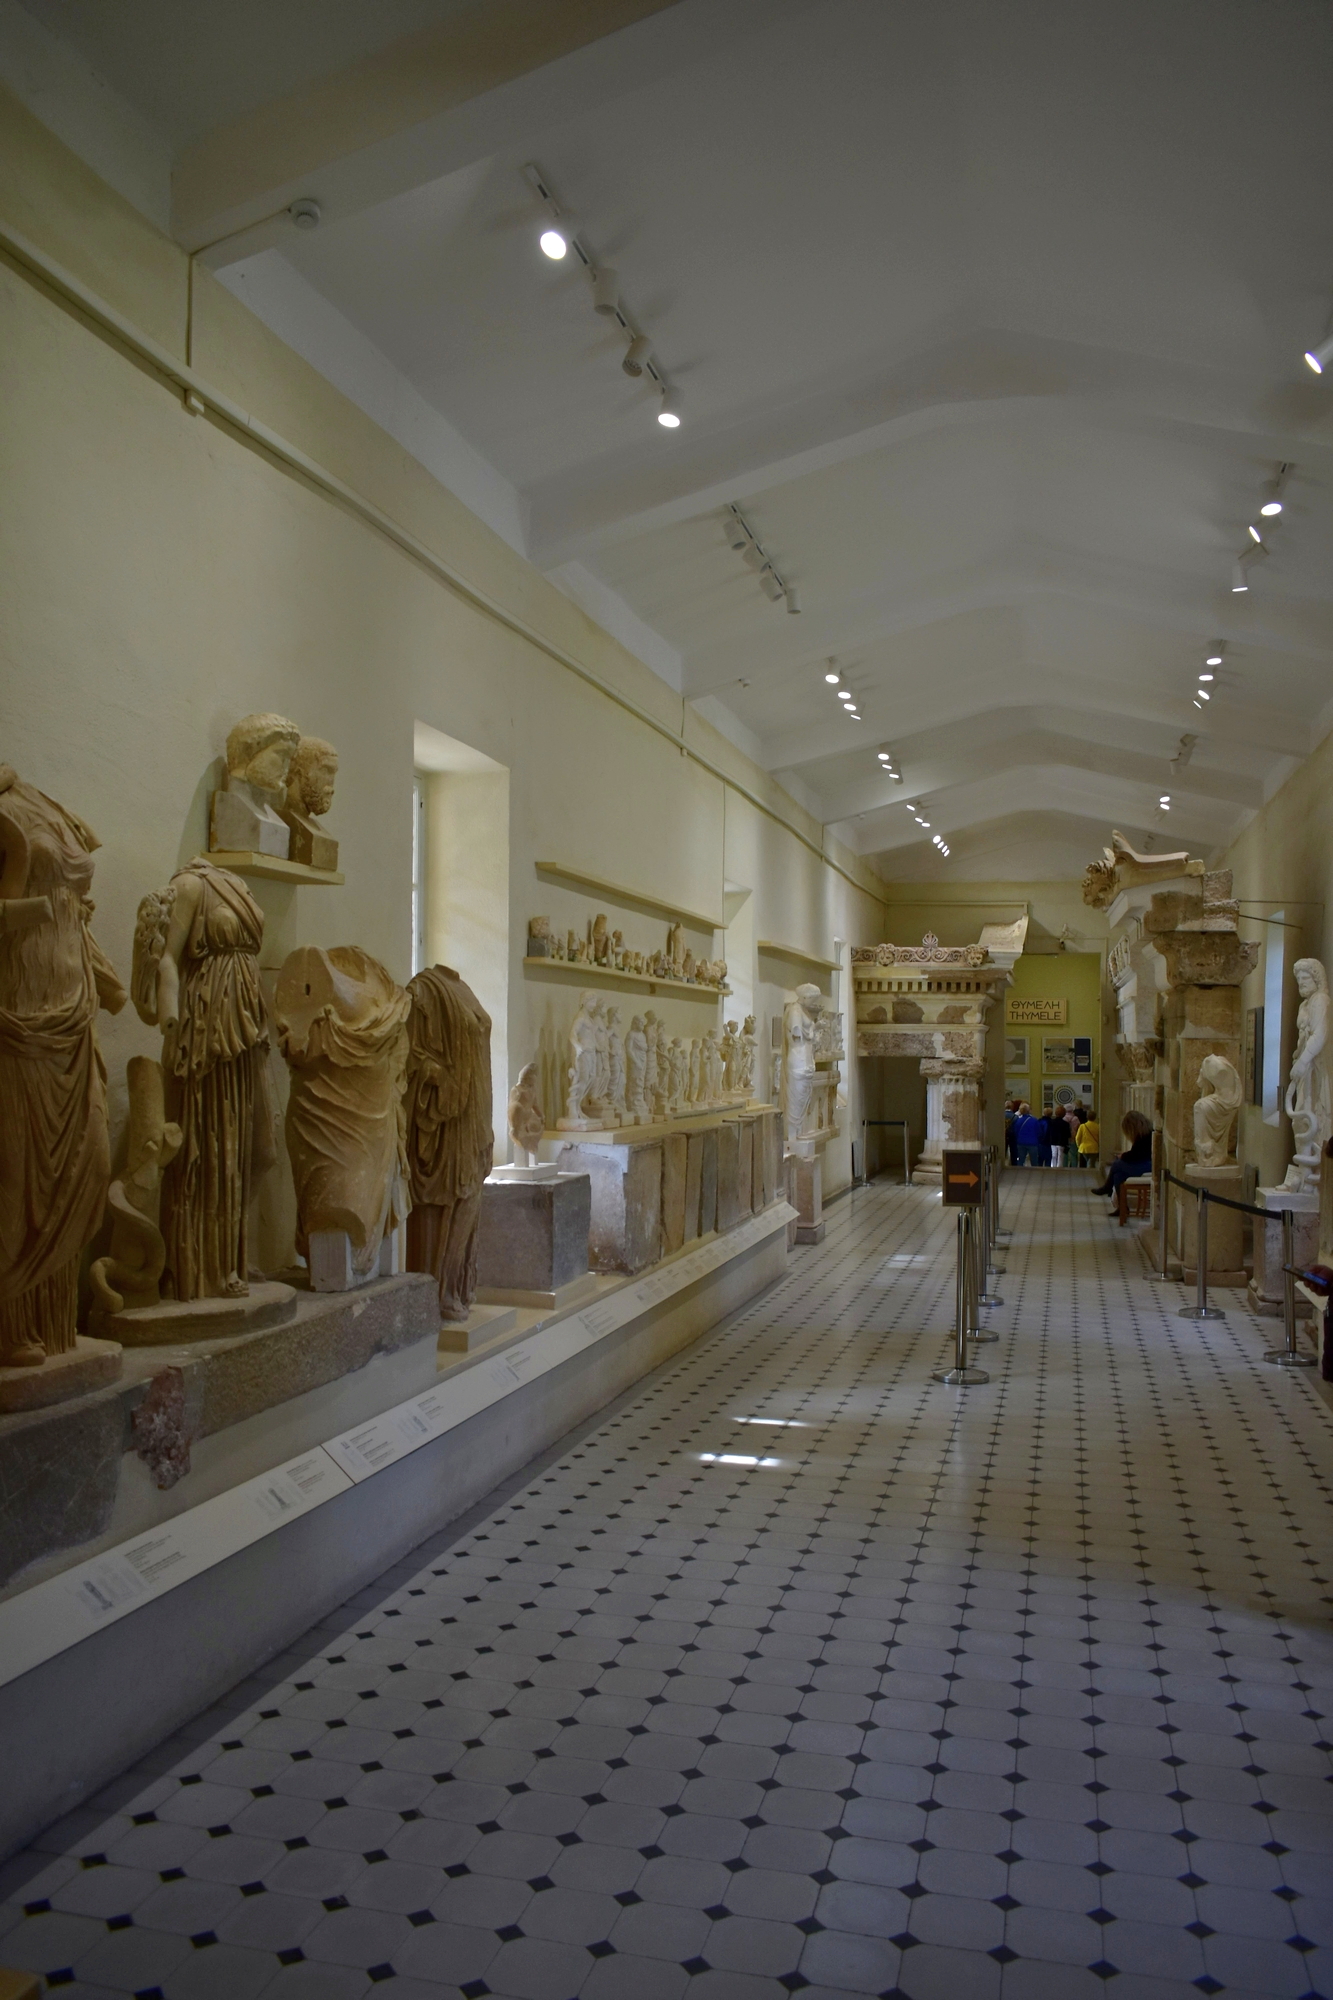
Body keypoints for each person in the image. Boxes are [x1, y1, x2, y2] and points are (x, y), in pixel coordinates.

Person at [1090, 1110, 1153, 1202]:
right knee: (1118, 1176)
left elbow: (1137, 1155)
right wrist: (1124, 1156)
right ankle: (1122, 1207)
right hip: (1145, 1163)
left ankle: (1107, 1187)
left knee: (1116, 1164)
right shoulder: (1145, 1134)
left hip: (1147, 1165)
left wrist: (1123, 1156)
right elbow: (1136, 1153)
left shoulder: (1144, 1136)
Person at [1014, 1102, 1045, 1167]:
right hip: (1032, 1143)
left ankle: (1019, 1171)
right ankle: (1035, 1172)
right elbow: (1039, 1132)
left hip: (1021, 1142)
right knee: (1034, 1161)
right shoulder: (1034, 1120)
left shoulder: (1018, 1120)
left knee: (1021, 1160)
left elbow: (1015, 1131)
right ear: (1029, 1110)